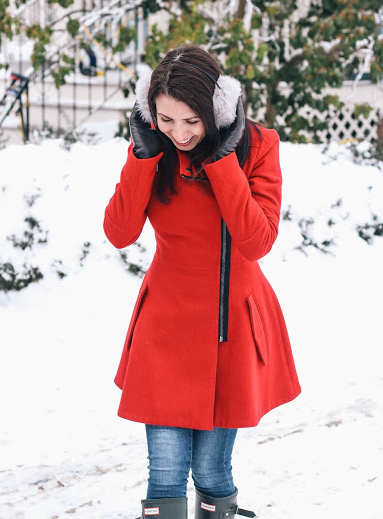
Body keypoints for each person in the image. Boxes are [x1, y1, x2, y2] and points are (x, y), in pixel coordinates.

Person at [103, 45, 301, 519]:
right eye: (166, 119)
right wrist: (141, 157)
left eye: (191, 121)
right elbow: (119, 232)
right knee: (165, 475)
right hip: (166, 327)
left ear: (216, 110)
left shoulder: (259, 145)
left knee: (212, 474)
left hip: (230, 325)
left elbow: (256, 241)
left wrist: (224, 160)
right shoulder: (156, 148)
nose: (179, 133)